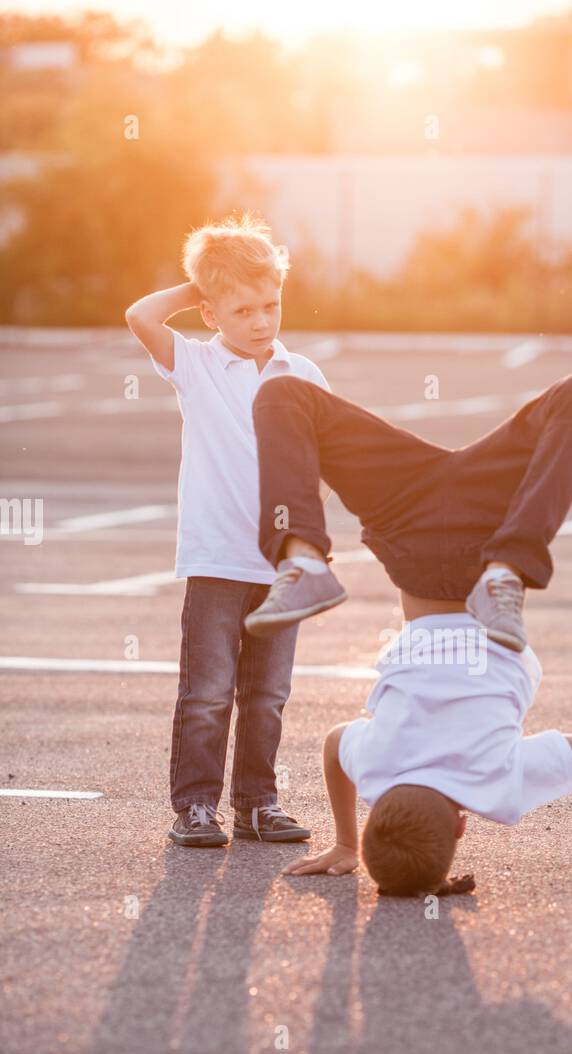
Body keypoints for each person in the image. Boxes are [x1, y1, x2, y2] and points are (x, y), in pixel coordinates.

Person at [245, 364, 572, 896]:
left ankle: (510, 567)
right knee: (282, 394)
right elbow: (334, 743)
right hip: (408, 515)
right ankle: (301, 555)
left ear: (461, 826)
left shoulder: (498, 783)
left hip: (480, 525)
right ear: (377, 808)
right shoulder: (373, 767)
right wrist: (346, 843)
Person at [124, 211, 326, 848]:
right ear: (211, 315)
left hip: (280, 568)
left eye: (270, 305)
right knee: (209, 693)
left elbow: (330, 459)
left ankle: (258, 805)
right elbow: (140, 317)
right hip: (216, 561)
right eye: (242, 311)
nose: (261, 321)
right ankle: (194, 808)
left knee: (267, 696)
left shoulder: (302, 373)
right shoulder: (196, 365)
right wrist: (202, 285)